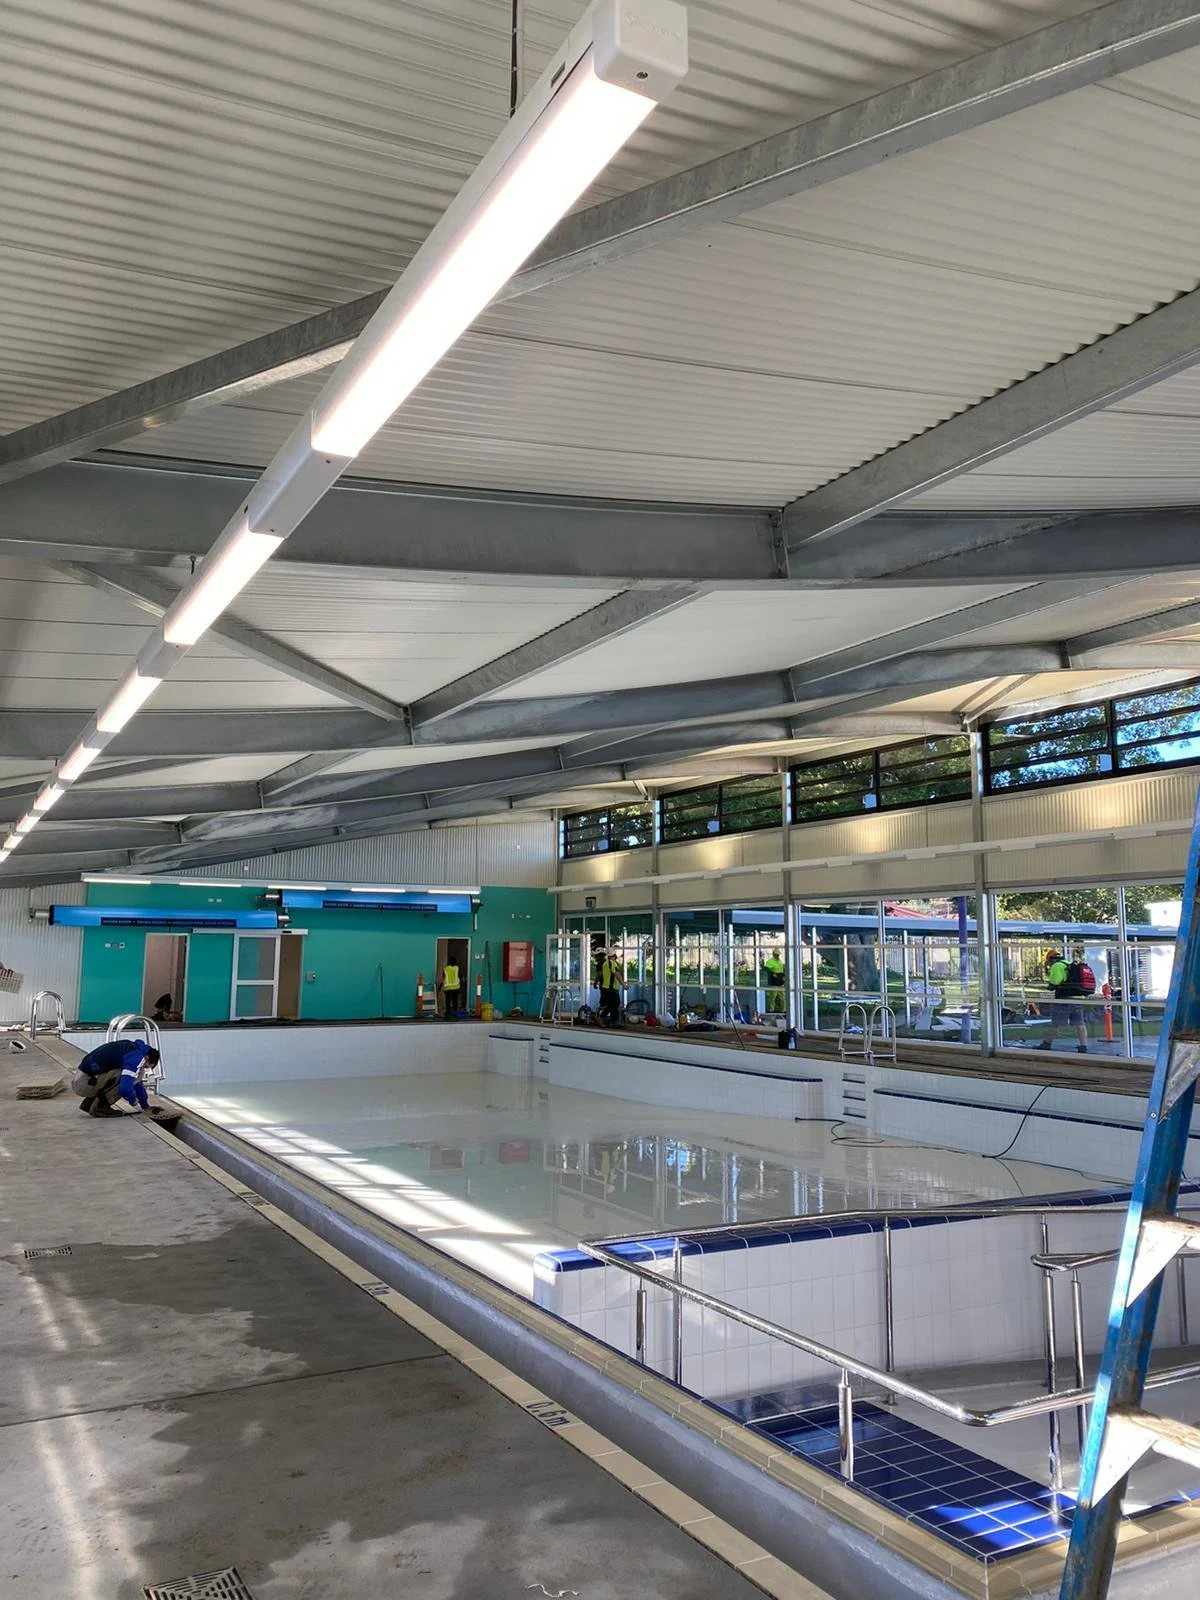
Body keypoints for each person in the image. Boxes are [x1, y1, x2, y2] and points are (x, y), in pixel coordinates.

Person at [74, 1039, 162, 1117]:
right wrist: (134, 1101)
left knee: (128, 1076)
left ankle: (89, 1103)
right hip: (84, 1083)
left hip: (83, 1080)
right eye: (146, 1066)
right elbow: (125, 1088)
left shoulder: (133, 1049)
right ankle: (101, 1106)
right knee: (125, 1080)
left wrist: (145, 1106)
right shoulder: (136, 1057)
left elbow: (137, 1082)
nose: (144, 1068)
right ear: (146, 1058)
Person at [1039, 949, 1089, 1054]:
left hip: (1065, 998)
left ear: (1050, 959)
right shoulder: (1068, 964)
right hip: (1077, 998)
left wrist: (1051, 986)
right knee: (1079, 1023)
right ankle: (1083, 1046)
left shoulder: (1057, 966)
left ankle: (1047, 1043)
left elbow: (1056, 981)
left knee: (1055, 1023)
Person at [596, 949, 622, 1025]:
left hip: (606, 987)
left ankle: (611, 1019)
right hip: (610, 988)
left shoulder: (605, 964)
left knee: (611, 1004)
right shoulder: (611, 963)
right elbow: (616, 974)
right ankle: (607, 1017)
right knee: (615, 1003)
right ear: (614, 956)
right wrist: (623, 984)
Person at [762, 950, 785, 1015]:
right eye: (776, 954)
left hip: (780, 979)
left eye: (778, 954)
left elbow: (781, 969)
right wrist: (772, 972)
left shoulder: (779, 961)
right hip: (774, 980)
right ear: (773, 954)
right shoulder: (770, 961)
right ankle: (771, 1009)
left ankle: (783, 1009)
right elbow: (766, 968)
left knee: (782, 996)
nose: (778, 956)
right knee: (773, 996)